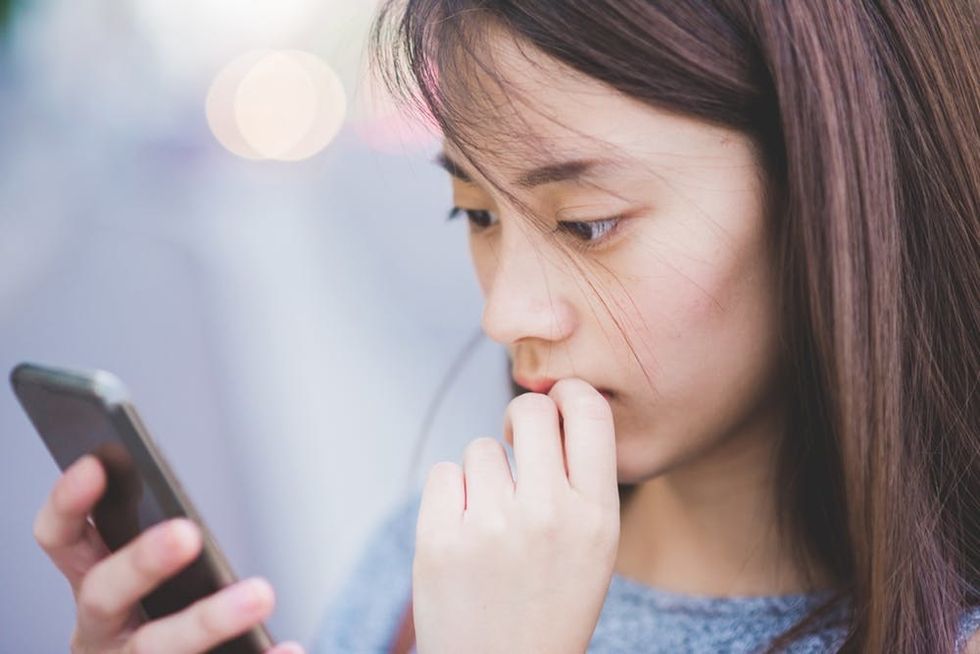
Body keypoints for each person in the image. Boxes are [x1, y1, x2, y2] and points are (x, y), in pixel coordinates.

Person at [32, 1, 980, 653]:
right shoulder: (445, 550)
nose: (505, 312)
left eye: (588, 224)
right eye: (475, 216)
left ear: (837, 194)